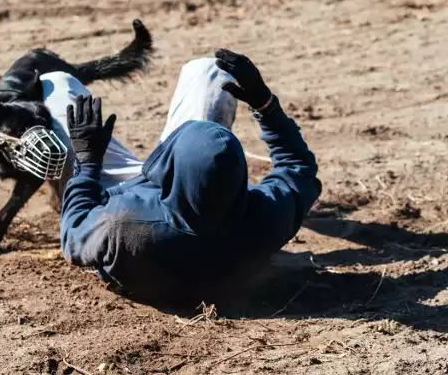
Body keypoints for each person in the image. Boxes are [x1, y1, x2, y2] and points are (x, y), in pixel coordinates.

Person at [44, 49, 321, 302]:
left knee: (53, 85)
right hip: (198, 205)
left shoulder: (122, 224)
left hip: (118, 196)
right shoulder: (265, 218)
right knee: (211, 70)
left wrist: (88, 161)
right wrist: (265, 105)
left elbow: (73, 232)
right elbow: (299, 169)